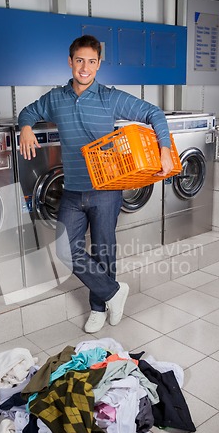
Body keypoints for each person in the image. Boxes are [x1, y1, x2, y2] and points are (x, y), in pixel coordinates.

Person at [18, 34, 174, 334]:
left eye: (91, 61)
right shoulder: (56, 98)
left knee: (104, 250)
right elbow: (29, 111)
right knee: (65, 250)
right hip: (73, 189)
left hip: (106, 189)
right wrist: (26, 128)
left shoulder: (110, 97)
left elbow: (153, 113)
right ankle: (114, 292)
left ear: (99, 64)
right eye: (80, 61)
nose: (85, 68)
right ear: (70, 62)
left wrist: (164, 149)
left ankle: (99, 307)